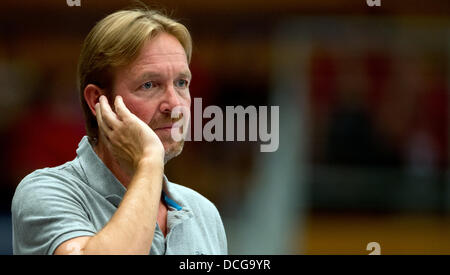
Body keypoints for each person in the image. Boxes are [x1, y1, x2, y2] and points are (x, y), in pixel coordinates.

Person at [11, 8, 227, 255]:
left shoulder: (203, 212)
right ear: (97, 100)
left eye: (181, 83)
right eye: (149, 85)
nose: (175, 104)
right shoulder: (45, 192)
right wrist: (148, 160)